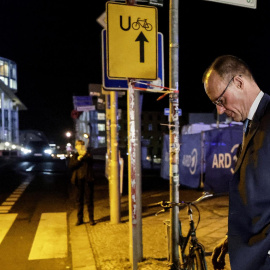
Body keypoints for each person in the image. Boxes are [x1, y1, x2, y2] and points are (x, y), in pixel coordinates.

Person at [202, 55, 270, 270]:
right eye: (215, 104)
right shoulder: (250, 125)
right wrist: (233, 239)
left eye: (221, 100)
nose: (220, 110)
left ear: (239, 83)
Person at [69, 139, 95, 226]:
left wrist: (83, 156)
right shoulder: (75, 155)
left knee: (89, 200)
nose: (79, 147)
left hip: (88, 180)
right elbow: (71, 166)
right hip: (78, 181)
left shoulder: (88, 154)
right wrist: (79, 160)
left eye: (81, 145)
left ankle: (91, 219)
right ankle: (80, 219)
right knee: (79, 200)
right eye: (77, 145)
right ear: (76, 147)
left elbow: (91, 160)